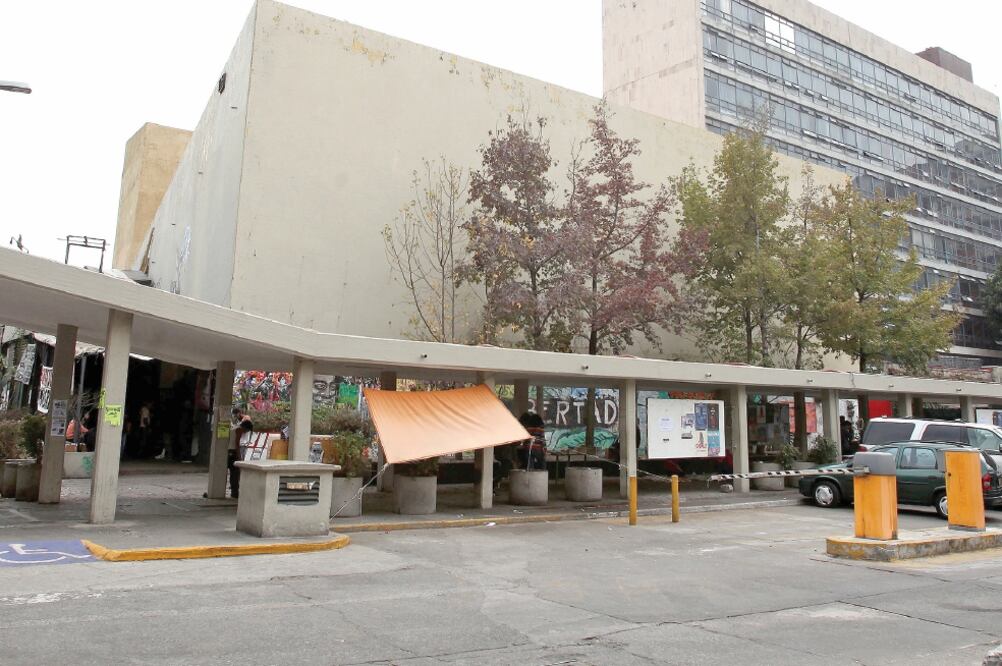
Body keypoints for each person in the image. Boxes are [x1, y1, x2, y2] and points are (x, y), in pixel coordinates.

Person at [228, 407, 254, 499]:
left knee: (233, 473)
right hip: (233, 451)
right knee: (235, 473)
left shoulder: (235, 428)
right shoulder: (239, 430)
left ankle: (234, 491)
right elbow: (237, 444)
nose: (246, 432)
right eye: (247, 431)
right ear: (245, 428)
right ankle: (235, 492)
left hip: (229, 451)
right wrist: (239, 458)